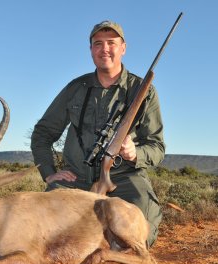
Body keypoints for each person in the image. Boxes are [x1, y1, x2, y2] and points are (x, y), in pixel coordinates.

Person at [31, 20, 165, 247]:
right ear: (91, 49)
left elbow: (157, 147)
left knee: (140, 232)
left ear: (123, 48)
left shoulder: (143, 90)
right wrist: (49, 173)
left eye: (111, 43)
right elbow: (42, 134)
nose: (105, 49)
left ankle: (101, 243)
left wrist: (135, 153)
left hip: (124, 177)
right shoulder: (75, 88)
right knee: (42, 228)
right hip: (76, 178)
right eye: (97, 43)